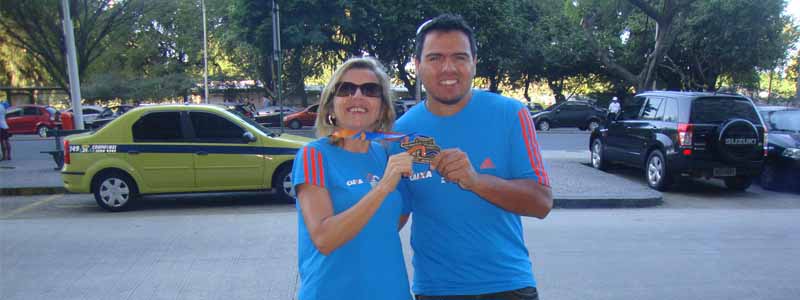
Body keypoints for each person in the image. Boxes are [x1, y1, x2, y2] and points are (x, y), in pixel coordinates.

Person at [392, 14, 552, 299]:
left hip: (508, 285)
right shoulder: (402, 133)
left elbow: (541, 203)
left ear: (474, 62)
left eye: (459, 57)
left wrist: (476, 180)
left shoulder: (510, 114)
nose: (448, 68)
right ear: (417, 66)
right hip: (436, 289)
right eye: (435, 58)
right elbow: (395, 218)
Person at [290, 57, 413, 300]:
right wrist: (382, 187)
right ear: (330, 105)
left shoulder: (386, 154)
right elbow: (324, 239)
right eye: (346, 89)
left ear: (383, 107)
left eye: (370, 90)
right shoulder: (314, 155)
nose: (357, 96)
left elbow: (392, 221)